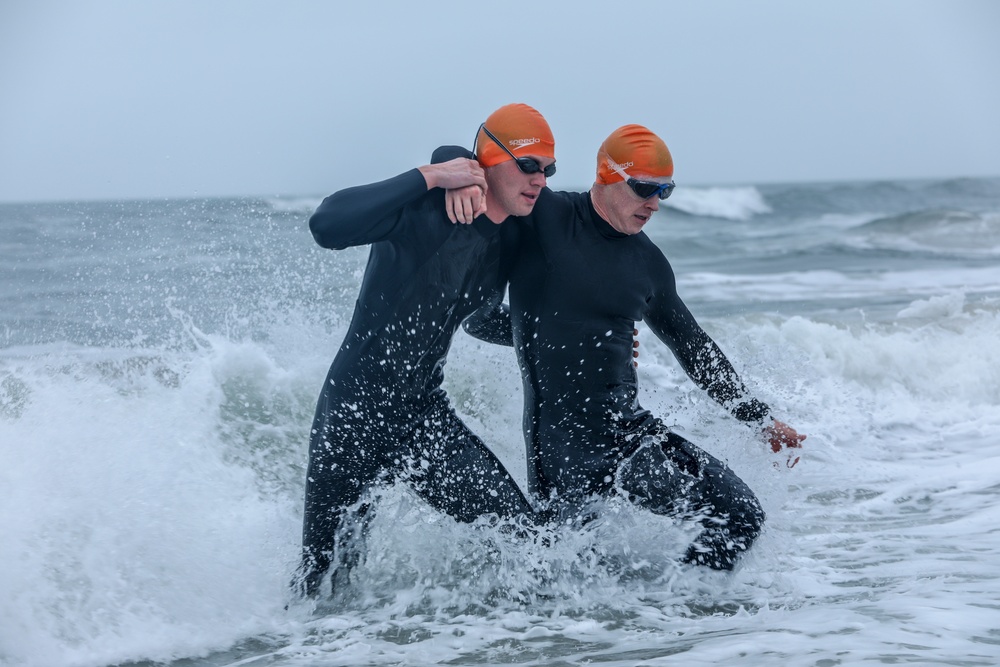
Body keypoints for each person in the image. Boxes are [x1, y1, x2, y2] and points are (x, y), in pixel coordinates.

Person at [438, 124, 806, 570]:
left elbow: (692, 346)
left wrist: (759, 418)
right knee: (562, 575)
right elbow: (477, 319)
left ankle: (681, 620)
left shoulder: (647, 263)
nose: (653, 203)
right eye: (643, 188)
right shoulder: (544, 218)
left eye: (664, 192)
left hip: (629, 436)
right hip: (561, 449)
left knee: (739, 518)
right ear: (606, 177)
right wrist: (455, 172)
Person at [297, 103, 557, 597]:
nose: (539, 179)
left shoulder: (507, 240)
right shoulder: (427, 210)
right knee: (323, 582)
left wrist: (559, 338)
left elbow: (478, 320)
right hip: (356, 412)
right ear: (485, 163)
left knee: (527, 541)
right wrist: (434, 173)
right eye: (528, 165)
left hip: (422, 418)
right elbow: (327, 225)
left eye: (547, 169)